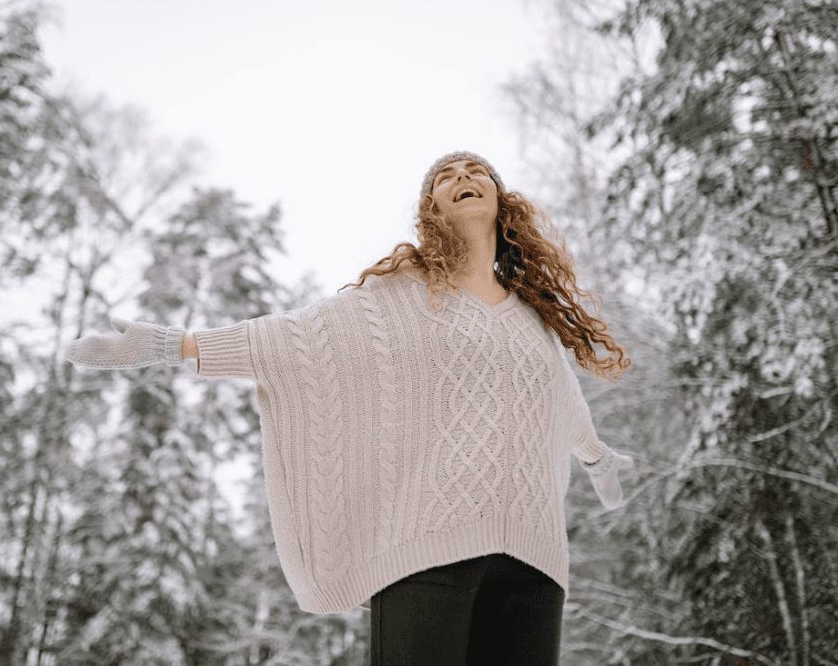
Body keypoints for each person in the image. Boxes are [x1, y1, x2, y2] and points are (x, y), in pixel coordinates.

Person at [65, 151, 636, 665]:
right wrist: (175, 345)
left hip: (536, 563)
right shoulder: (402, 296)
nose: (462, 176)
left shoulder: (534, 320)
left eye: (476, 170)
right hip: (427, 550)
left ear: (502, 201)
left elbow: (562, 401)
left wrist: (597, 458)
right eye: (445, 176)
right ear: (431, 209)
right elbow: (292, 340)